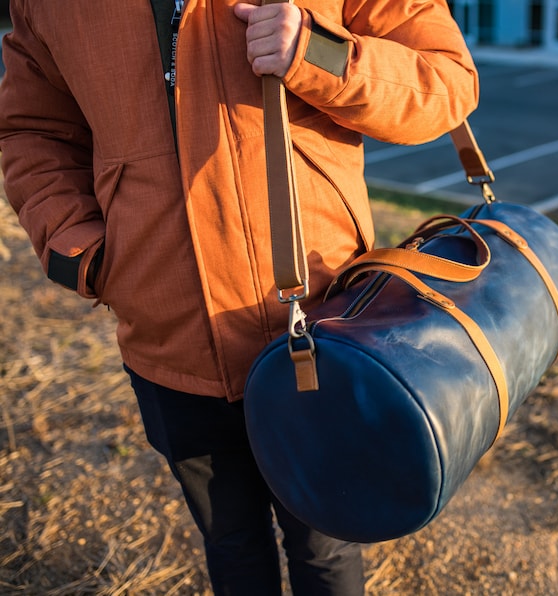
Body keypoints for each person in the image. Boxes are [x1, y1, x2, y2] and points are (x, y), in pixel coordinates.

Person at [0, 0, 478, 593]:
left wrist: (315, 51)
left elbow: (448, 82)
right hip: (168, 341)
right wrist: (88, 253)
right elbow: (33, 130)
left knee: (325, 546)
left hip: (320, 329)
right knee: (230, 544)